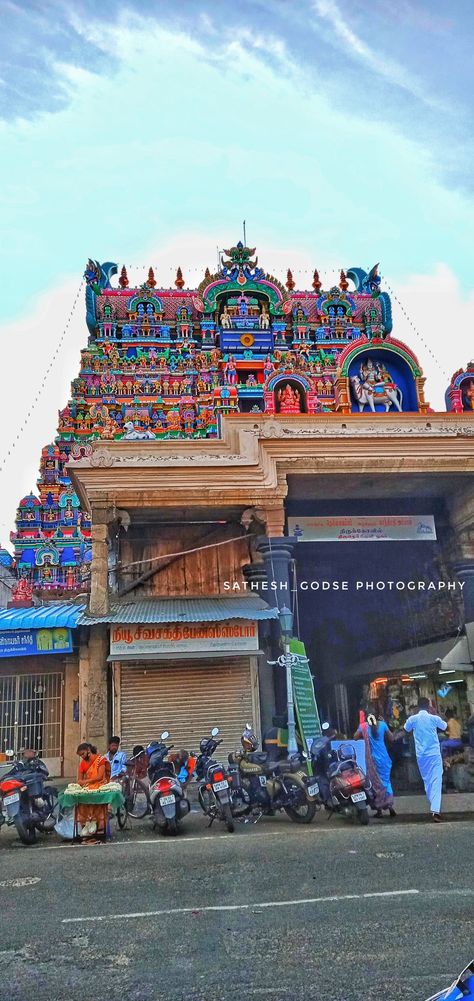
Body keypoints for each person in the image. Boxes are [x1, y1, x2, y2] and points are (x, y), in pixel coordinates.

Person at [404, 698, 447, 822]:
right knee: (436, 779)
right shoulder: (434, 718)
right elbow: (444, 726)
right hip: (434, 753)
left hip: (421, 755)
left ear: (417, 707)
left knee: (427, 780)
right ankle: (435, 810)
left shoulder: (413, 719)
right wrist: (435, 712)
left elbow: (406, 729)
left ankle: (434, 808)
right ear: (428, 706)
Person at [354, 708, 398, 818]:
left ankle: (379, 810)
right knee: (386, 782)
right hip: (384, 758)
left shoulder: (364, 727)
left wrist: (361, 726)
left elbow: (355, 737)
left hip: (372, 760)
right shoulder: (383, 725)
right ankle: (390, 807)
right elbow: (392, 738)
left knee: (375, 784)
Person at [76, 742, 109, 838]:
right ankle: (86, 823)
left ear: (88, 750)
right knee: (81, 800)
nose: (82, 757)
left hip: (100, 785)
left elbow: (99, 777)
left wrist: (86, 781)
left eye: (83, 754)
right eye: (80, 755)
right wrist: (82, 783)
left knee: (96, 799)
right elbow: (79, 779)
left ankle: (98, 825)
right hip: (88, 786)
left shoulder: (101, 760)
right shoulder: (82, 764)